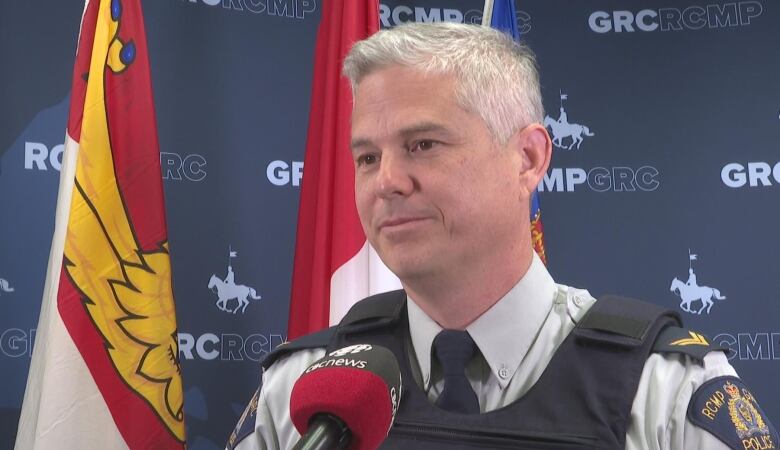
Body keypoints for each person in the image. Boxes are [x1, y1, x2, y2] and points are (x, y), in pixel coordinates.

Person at [227, 23, 775, 450]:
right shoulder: (302, 392)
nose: (386, 182)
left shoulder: (665, 394)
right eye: (367, 157)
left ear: (529, 158)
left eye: (423, 145)